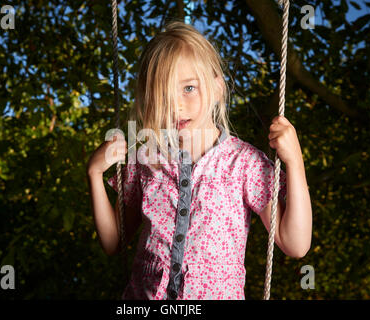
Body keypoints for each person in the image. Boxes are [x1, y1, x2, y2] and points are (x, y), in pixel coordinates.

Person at [86, 21, 312, 300]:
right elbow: (113, 243)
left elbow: (296, 243)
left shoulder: (243, 164)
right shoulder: (146, 161)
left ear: (217, 88)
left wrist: (295, 161)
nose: (176, 105)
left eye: (189, 88)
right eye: (162, 95)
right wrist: (95, 174)